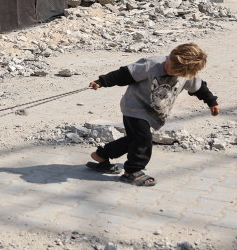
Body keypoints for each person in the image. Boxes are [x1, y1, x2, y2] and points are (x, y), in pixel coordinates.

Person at [86, 43, 220, 186]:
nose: (169, 69)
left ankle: (101, 155)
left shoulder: (187, 75)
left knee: (134, 139)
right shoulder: (151, 64)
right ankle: (132, 171)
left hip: (153, 113)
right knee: (143, 139)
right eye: (169, 64)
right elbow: (124, 74)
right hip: (134, 107)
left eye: (175, 71)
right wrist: (102, 81)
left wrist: (211, 101)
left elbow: (199, 88)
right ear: (171, 55)